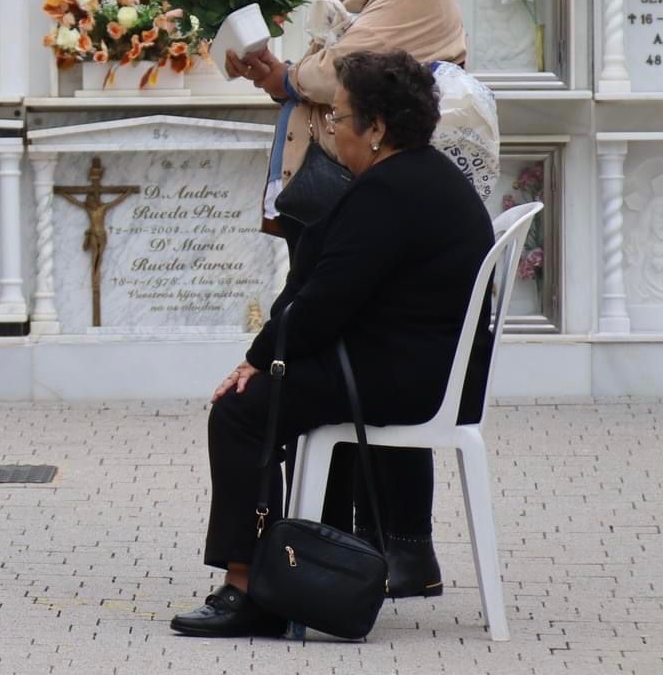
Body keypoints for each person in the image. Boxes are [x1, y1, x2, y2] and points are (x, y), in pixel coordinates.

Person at [222, 0, 492, 596]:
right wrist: (283, 73)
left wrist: (298, 70)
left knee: (330, 352)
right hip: (356, 199)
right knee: (334, 345)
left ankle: (389, 548)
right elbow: (314, 73)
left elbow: (330, 74)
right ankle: (356, 542)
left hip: (372, 207)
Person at [171, 51, 494, 637]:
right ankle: (289, 572)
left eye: (341, 117)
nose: (332, 128)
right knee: (269, 393)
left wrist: (256, 361)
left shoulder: (390, 192)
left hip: (405, 379)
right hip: (416, 367)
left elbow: (326, 300)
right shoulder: (419, 175)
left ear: (377, 129)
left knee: (240, 413)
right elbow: (326, 279)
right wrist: (271, 351)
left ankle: (248, 591)